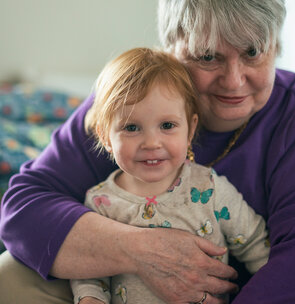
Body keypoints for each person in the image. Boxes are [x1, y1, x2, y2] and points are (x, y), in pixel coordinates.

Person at [0, 0, 295, 304]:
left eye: (253, 52)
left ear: (276, 47)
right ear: (170, 50)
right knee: (9, 277)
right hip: (130, 289)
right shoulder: (127, 102)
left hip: (267, 289)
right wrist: (139, 250)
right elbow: (23, 208)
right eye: (207, 56)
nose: (234, 81)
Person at [70, 47, 269, 304]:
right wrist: (90, 297)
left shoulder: (209, 188)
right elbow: (90, 270)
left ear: (190, 129)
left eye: (167, 126)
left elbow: (257, 247)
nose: (152, 142)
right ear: (106, 136)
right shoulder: (100, 202)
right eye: (131, 127)